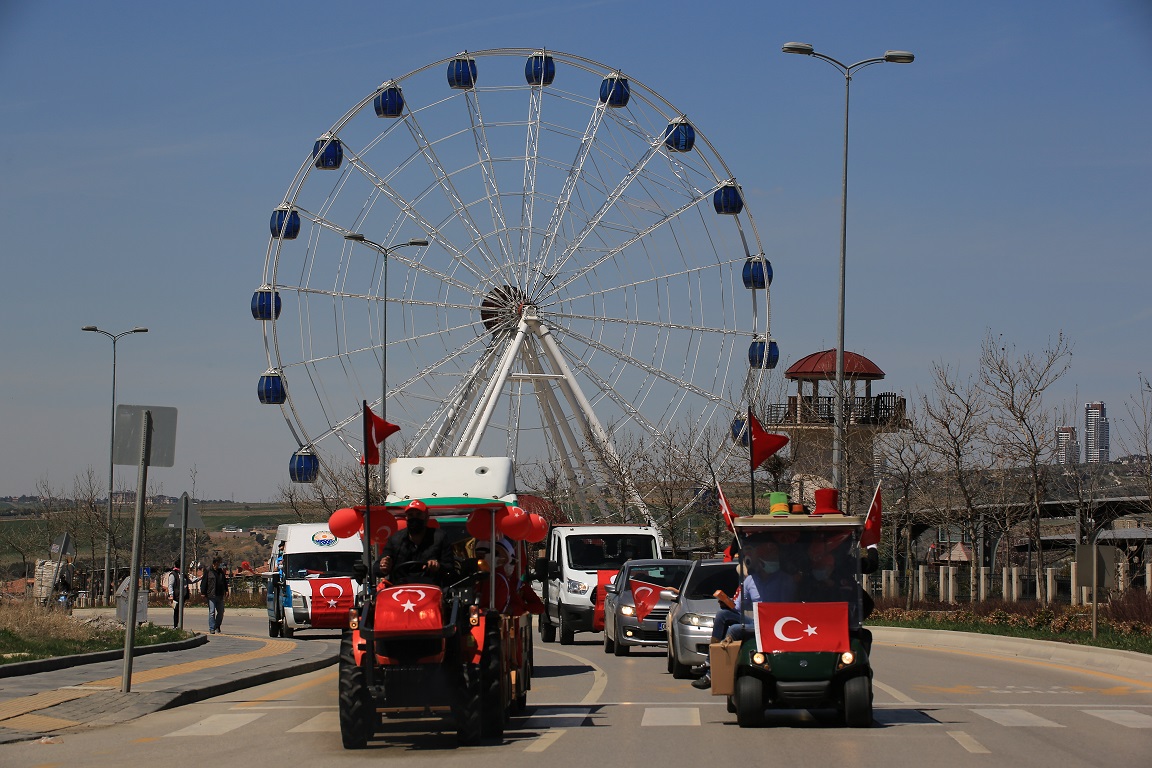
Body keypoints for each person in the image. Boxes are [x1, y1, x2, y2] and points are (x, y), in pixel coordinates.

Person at [692, 539, 797, 689]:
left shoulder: (785, 580)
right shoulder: (750, 581)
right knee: (723, 614)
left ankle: (713, 674)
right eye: (768, 560)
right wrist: (726, 603)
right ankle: (710, 662)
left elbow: (787, 609)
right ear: (759, 562)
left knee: (734, 629)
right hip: (755, 623)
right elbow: (738, 607)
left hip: (776, 626)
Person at [376, 500, 456, 586]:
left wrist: (438, 566)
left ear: (426, 517)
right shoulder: (395, 539)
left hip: (431, 589)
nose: (414, 518)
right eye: (411, 515)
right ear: (406, 518)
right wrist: (383, 567)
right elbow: (377, 567)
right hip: (400, 590)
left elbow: (450, 567)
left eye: (418, 515)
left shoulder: (439, 537)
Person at [201, 556, 228, 634]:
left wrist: (226, 590)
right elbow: (204, 582)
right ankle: (212, 628)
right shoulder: (208, 571)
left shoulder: (220, 572)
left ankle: (217, 625)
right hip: (211, 595)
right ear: (215, 563)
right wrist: (203, 592)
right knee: (212, 612)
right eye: (219, 562)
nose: (220, 564)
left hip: (220, 594)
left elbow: (224, 581)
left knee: (221, 612)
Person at [166, 559, 192, 628]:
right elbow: (170, 585)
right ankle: (175, 626)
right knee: (176, 611)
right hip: (176, 596)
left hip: (183, 595)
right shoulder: (173, 574)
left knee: (180, 611)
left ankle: (179, 625)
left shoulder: (183, 574)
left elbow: (190, 581)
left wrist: (201, 578)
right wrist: (171, 595)